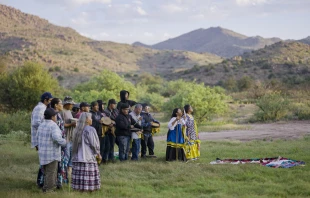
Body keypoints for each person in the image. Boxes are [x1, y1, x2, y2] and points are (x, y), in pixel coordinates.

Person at [37, 108, 67, 193]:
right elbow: (56, 138)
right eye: (55, 115)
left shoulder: (41, 125)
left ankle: (45, 188)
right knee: (51, 172)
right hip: (52, 153)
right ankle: (49, 190)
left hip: (43, 153)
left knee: (46, 172)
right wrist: (64, 142)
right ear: (53, 117)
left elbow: (37, 137)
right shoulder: (53, 125)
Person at [71, 112, 101, 192]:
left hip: (77, 157)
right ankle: (88, 189)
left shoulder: (77, 129)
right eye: (90, 118)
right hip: (87, 156)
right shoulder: (90, 129)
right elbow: (94, 144)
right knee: (87, 173)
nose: (91, 120)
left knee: (79, 173)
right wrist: (98, 153)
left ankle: (78, 188)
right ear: (87, 120)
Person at [31, 92, 53, 187]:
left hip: (42, 137)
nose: (51, 102)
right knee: (44, 162)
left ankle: (42, 181)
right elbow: (35, 123)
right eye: (50, 100)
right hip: (40, 138)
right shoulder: (40, 108)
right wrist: (46, 128)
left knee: (45, 161)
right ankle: (40, 182)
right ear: (45, 100)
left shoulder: (43, 108)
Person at [51, 98, 69, 187]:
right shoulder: (54, 116)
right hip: (59, 143)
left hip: (62, 141)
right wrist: (62, 141)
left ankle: (59, 181)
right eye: (60, 103)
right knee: (59, 162)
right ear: (55, 105)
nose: (62, 105)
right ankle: (58, 182)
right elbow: (57, 131)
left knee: (61, 162)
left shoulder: (58, 114)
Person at [60, 96, 77, 178]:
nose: (72, 106)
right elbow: (62, 125)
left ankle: (69, 173)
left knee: (71, 156)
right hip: (65, 137)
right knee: (66, 157)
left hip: (71, 137)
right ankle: (63, 175)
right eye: (71, 104)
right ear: (66, 104)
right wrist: (71, 124)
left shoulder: (69, 111)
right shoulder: (62, 112)